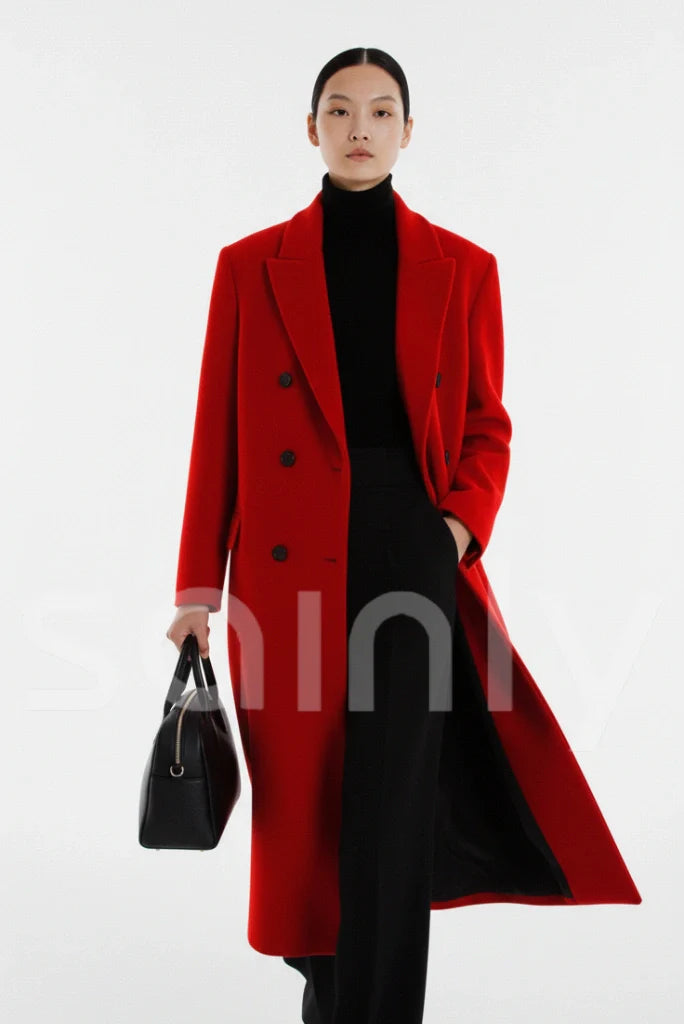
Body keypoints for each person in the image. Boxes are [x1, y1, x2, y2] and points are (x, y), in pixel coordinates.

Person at [167, 46, 641, 1024]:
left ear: (408, 132)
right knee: (303, 807)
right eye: (340, 111)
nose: (360, 129)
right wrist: (195, 590)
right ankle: (331, 991)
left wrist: (456, 529)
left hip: (409, 547)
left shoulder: (464, 268)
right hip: (283, 566)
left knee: (391, 802)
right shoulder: (248, 266)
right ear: (311, 129)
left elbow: (486, 423)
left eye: (382, 112)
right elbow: (217, 433)